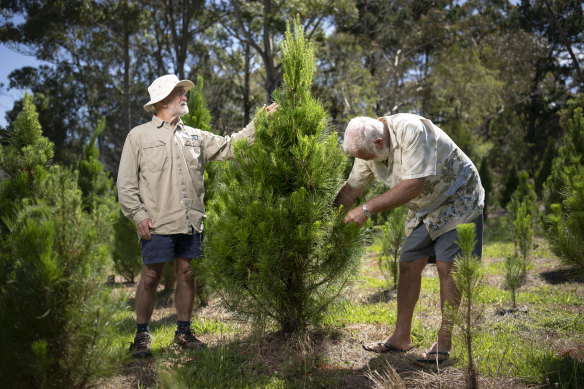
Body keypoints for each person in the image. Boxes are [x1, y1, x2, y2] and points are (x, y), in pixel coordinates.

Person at [117, 74, 277, 358]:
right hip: (156, 222)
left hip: (190, 221)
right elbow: (126, 184)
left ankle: (184, 331)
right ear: (164, 100)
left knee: (187, 275)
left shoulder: (194, 136)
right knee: (151, 275)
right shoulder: (138, 136)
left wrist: (258, 124)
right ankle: (142, 334)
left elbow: (230, 147)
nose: (185, 97)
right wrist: (138, 215)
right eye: (180, 93)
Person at [334, 114, 484, 364]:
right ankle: (400, 337)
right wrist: (328, 221)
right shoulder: (368, 148)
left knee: (449, 267)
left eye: (364, 156)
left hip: (457, 194)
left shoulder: (412, 131)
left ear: (380, 142)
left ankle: (444, 341)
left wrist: (366, 210)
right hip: (425, 205)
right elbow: (351, 191)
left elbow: (413, 184)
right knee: (408, 263)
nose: (362, 161)